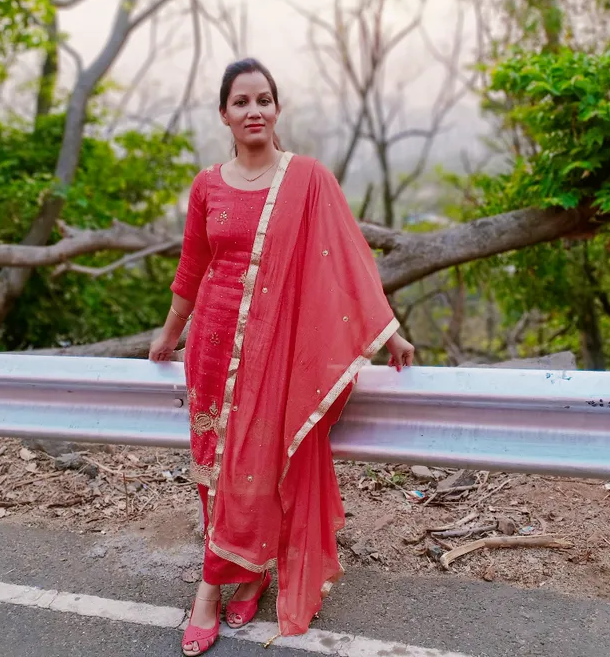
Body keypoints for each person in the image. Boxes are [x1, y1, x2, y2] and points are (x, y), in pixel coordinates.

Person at [149, 58, 415, 656]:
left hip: (276, 354)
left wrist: (386, 334)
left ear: (277, 108)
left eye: (264, 99)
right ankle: (228, 577)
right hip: (213, 350)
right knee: (216, 473)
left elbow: (349, 261)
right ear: (224, 114)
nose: (254, 111)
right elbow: (191, 270)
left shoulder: (307, 179)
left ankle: (223, 585)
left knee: (261, 470)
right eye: (241, 102)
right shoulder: (207, 185)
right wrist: (170, 333)